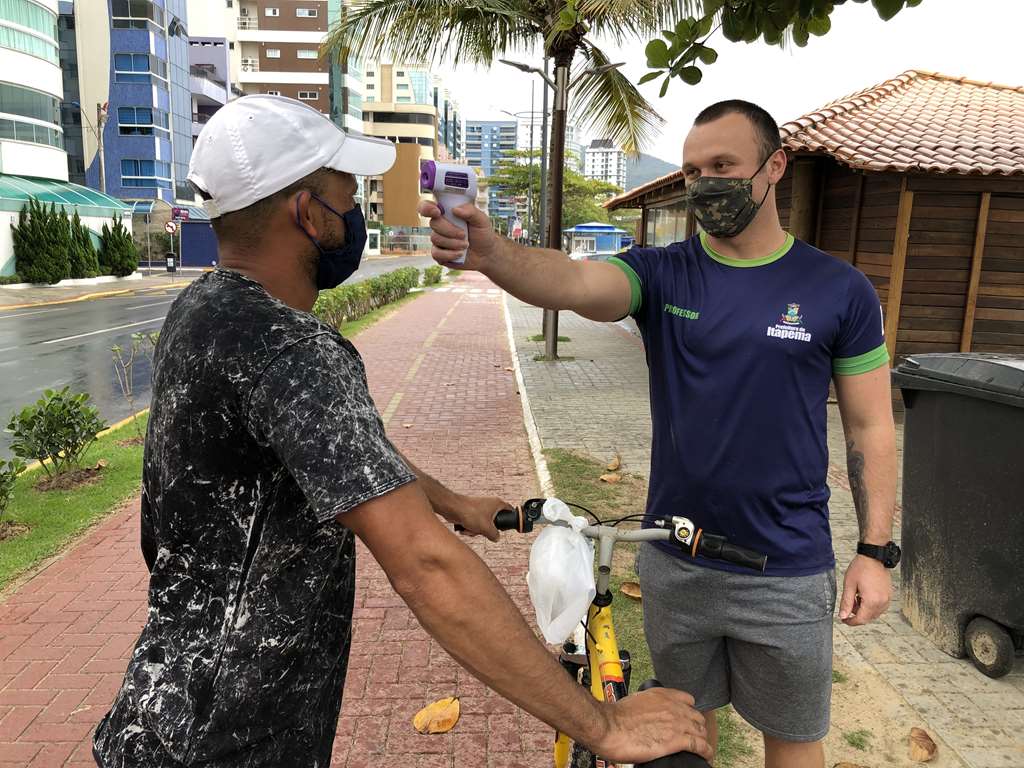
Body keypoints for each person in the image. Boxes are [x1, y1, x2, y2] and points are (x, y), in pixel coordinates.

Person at [90, 95, 710, 768]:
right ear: (307, 212)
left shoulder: (202, 311)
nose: (354, 216)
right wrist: (604, 725)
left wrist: (448, 502)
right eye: (346, 198)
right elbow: (425, 565)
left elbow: (334, 452)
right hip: (230, 736)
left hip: (163, 706)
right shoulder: (290, 349)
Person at [419, 99, 899, 768]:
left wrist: (876, 549)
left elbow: (872, 424)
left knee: (793, 742)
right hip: (677, 562)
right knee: (680, 735)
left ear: (775, 165)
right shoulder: (661, 273)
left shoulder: (839, 290)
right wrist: (492, 252)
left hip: (786, 566)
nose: (706, 183)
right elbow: (575, 280)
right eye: (693, 170)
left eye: (724, 165)